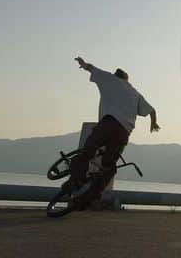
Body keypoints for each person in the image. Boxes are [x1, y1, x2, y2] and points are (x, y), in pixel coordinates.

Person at [67, 56, 159, 203]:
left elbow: (91, 68)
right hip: (123, 133)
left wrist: (83, 64)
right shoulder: (135, 93)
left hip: (108, 124)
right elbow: (152, 110)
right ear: (127, 80)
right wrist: (154, 124)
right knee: (108, 166)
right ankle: (94, 195)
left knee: (88, 151)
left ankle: (75, 181)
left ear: (116, 76)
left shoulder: (110, 79)